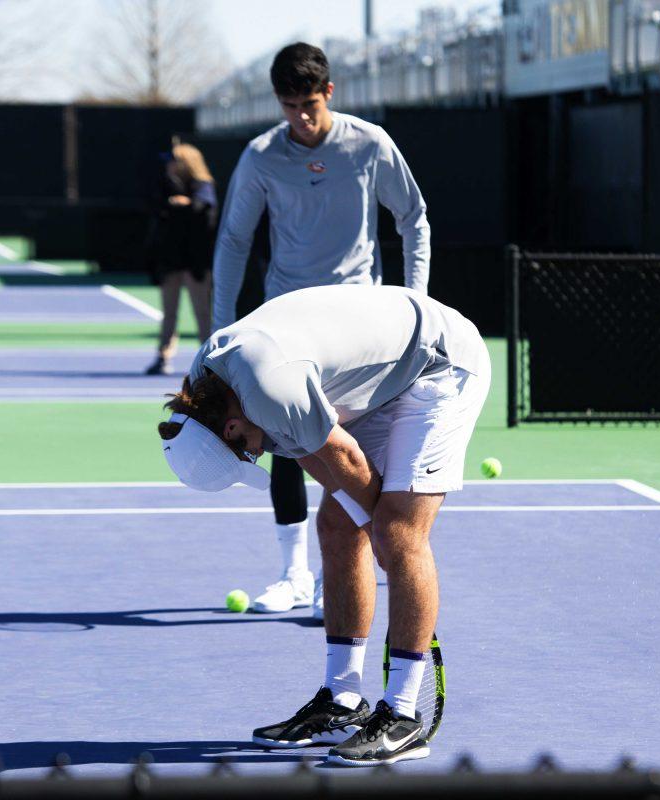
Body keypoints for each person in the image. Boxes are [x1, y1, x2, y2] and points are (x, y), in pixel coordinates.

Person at [159, 285, 489, 766]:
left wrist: (381, 529)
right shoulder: (207, 388)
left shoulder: (268, 388)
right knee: (337, 525)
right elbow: (314, 455)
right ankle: (342, 700)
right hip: (386, 376)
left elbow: (345, 457)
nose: (255, 454)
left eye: (245, 452)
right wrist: (361, 516)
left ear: (229, 428)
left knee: (399, 533)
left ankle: (402, 717)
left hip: (439, 361)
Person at [211, 42, 431, 618]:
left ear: (328, 93)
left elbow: (413, 218)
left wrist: (415, 300)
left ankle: (355, 564)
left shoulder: (370, 144)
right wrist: (218, 328)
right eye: (289, 106)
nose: (301, 118)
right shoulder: (260, 157)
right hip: (285, 321)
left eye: (309, 104)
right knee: (284, 440)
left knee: (355, 448)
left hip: (358, 326)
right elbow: (234, 241)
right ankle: (293, 575)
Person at [145, 143, 218, 376]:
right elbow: (158, 211)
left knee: (202, 312)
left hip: (196, 263)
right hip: (171, 261)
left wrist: (185, 205)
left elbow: (204, 213)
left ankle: (209, 362)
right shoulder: (165, 186)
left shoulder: (203, 186)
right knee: (169, 312)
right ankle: (163, 356)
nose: (169, 164)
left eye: (173, 160)